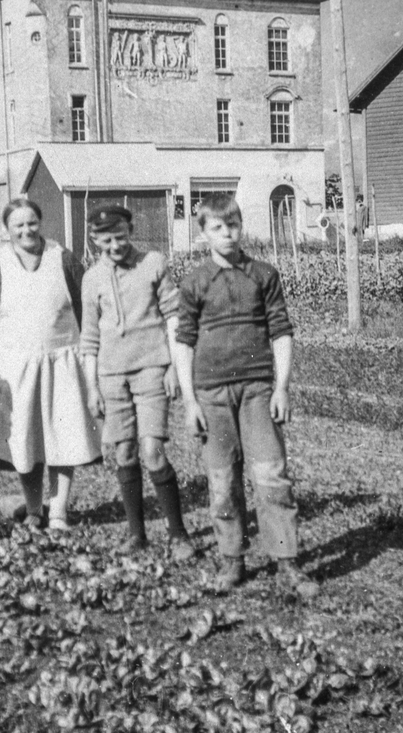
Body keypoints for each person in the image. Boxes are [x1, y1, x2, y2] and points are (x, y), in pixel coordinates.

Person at [174, 194, 319, 599]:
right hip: (211, 395)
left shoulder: (263, 274)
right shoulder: (195, 281)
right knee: (222, 480)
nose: (227, 234)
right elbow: (183, 341)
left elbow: (281, 331)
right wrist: (189, 401)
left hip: (257, 390)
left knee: (271, 476)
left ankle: (286, 561)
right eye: (217, 228)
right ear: (203, 234)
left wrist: (282, 387)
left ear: (242, 226)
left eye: (233, 226)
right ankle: (231, 558)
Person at [0, 198, 101, 530]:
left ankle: (58, 511)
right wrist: (13, 343)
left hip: (62, 361)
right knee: (24, 438)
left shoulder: (63, 260)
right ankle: (33, 509)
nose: (26, 230)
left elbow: (86, 306)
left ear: (40, 222)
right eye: (18, 225)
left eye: (32, 222)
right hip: (16, 366)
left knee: (64, 435)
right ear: (8, 229)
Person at [80, 205, 195, 560]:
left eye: (121, 236)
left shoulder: (153, 263)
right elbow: (88, 337)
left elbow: (173, 317)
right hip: (111, 376)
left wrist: (175, 367)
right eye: (106, 240)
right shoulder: (91, 279)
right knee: (124, 452)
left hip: (152, 370)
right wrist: (92, 387)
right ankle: (137, 535)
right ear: (95, 240)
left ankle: (178, 535)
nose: (115, 245)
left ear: (131, 231)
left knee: (152, 451)